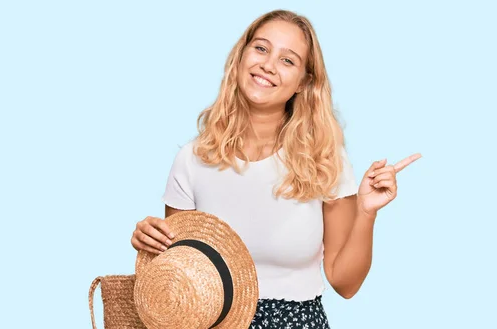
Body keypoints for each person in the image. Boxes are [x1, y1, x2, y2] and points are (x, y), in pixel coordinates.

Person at [131, 9, 421, 329]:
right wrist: (150, 244)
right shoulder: (192, 159)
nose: (268, 65)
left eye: (288, 60)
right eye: (261, 48)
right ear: (241, 56)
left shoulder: (325, 160)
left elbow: (345, 283)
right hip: (210, 322)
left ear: (303, 82)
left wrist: (366, 212)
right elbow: (180, 272)